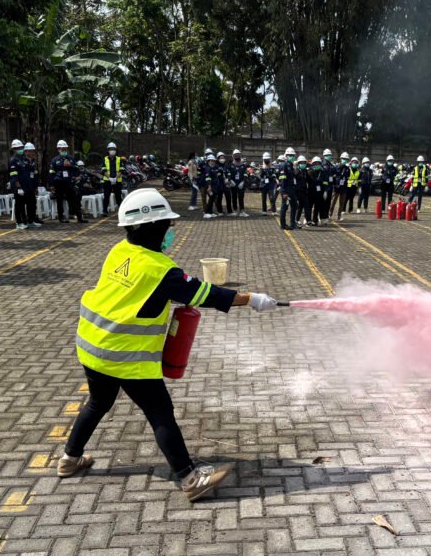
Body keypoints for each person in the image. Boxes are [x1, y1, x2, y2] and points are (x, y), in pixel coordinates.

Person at [61, 188, 278, 502]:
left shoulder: (120, 250)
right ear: (152, 228)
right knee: (160, 413)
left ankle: (70, 460)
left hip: (92, 346)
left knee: (98, 403)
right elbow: (209, 294)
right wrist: (253, 299)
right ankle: (190, 479)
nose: (170, 231)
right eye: (166, 225)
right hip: (125, 356)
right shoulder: (162, 270)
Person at [50, 139, 87, 224]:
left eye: (65, 149)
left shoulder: (71, 159)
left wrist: (70, 166)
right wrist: (52, 185)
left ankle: (79, 217)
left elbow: (77, 169)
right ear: (58, 149)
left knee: (74, 200)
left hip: (69, 182)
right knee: (60, 201)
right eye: (62, 149)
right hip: (59, 183)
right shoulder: (54, 160)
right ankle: (61, 218)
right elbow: (51, 173)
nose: (64, 151)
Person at [12, 143, 41, 229]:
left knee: (32, 204)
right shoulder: (18, 160)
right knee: (19, 205)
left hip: (30, 187)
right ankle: (19, 223)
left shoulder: (32, 161)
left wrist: (35, 187)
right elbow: (14, 174)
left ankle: (30, 221)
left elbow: (34, 175)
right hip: (21, 187)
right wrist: (18, 186)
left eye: (33, 151)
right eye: (30, 151)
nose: (32, 153)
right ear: (26, 152)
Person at [102, 142, 126, 217]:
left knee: (118, 196)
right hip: (107, 181)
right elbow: (103, 170)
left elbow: (121, 170)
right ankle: (105, 211)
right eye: (111, 149)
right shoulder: (105, 159)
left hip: (117, 181)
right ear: (108, 150)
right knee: (106, 196)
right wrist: (110, 178)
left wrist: (115, 178)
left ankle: (121, 211)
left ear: (116, 150)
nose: (112, 150)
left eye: (113, 149)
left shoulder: (119, 159)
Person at [278, 149, 299, 230]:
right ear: (286, 156)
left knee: (294, 206)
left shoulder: (290, 165)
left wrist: (296, 167)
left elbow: (294, 176)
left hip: (291, 190)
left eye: (293, 155)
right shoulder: (284, 165)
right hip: (286, 190)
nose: (292, 157)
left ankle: (292, 223)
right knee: (284, 207)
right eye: (290, 155)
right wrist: (284, 192)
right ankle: (283, 225)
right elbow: (283, 179)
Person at [329, 152, 350, 221]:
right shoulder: (336, 167)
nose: (345, 160)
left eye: (346, 159)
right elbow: (332, 176)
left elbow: (347, 177)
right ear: (341, 159)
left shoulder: (347, 169)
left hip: (343, 188)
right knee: (333, 202)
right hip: (336, 187)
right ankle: (329, 215)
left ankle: (339, 216)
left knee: (342, 203)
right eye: (343, 159)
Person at [229, 149, 249, 217]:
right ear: (233, 156)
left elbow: (246, 174)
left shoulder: (243, 166)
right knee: (234, 197)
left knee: (241, 197)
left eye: (238, 155)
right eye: (236, 155)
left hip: (241, 184)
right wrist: (231, 181)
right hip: (233, 184)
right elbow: (228, 174)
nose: (237, 157)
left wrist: (243, 182)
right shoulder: (231, 165)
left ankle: (242, 211)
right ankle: (234, 210)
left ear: (240, 156)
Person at [311, 156, 329, 226]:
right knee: (311, 206)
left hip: (321, 192)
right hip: (312, 192)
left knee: (320, 206)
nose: (317, 165)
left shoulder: (323, 172)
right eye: (315, 163)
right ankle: (311, 220)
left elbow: (325, 182)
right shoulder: (310, 171)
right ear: (313, 164)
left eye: (318, 163)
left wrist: (325, 191)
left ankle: (322, 220)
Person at [259, 152, 277, 216]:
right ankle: (264, 211)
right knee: (264, 199)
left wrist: (269, 175)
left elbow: (274, 175)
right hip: (263, 185)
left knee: (272, 198)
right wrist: (262, 170)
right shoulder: (261, 167)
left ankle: (274, 210)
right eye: (265, 160)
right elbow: (260, 176)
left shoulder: (272, 167)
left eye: (267, 160)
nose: (266, 161)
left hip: (270, 185)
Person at [321, 149, 336, 223]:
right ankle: (322, 217)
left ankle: (326, 216)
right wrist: (324, 189)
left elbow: (334, 175)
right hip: (324, 187)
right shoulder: (322, 165)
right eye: (327, 155)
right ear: (324, 156)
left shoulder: (331, 165)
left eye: (329, 155)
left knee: (328, 203)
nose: (328, 156)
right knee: (322, 203)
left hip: (330, 187)